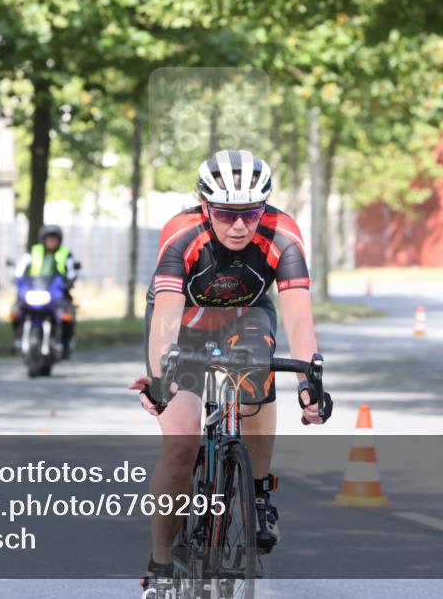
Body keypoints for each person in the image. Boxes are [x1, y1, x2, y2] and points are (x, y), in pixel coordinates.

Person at [128, 149, 334, 595]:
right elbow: (165, 316)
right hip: (184, 321)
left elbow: (299, 318)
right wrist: (163, 379)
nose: (239, 225)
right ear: (205, 207)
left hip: (247, 317)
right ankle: (161, 564)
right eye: (226, 213)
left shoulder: (283, 235)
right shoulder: (182, 235)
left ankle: (257, 493)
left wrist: (308, 383)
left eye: (251, 212)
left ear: (265, 207)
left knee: (259, 374)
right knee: (181, 447)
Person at [12, 224, 78, 357]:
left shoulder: (65, 253)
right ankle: (18, 338)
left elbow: (72, 270)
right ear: (44, 239)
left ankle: (64, 342)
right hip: (35, 289)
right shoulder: (34, 252)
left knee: (67, 314)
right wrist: (16, 278)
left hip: (57, 292)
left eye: (54, 238)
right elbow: (20, 269)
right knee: (16, 310)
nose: (52, 241)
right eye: (49, 238)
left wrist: (70, 281)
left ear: (59, 240)